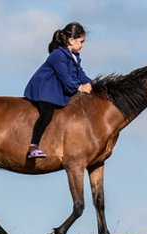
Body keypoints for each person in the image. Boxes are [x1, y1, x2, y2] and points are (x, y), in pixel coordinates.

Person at [23, 22, 92, 159]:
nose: (83, 45)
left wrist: (91, 83)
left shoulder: (74, 56)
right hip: (44, 90)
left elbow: (80, 73)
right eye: (81, 41)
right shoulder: (58, 55)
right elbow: (66, 79)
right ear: (71, 40)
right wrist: (80, 88)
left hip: (56, 90)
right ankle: (33, 146)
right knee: (47, 113)